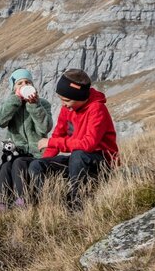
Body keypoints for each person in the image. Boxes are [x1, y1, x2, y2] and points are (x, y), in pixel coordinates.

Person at [27, 69, 118, 209]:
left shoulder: (97, 109)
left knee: (78, 155)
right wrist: (44, 159)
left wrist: (50, 142)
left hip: (101, 163)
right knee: (37, 165)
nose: (63, 104)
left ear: (81, 98)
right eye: (61, 99)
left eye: (67, 100)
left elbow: (88, 144)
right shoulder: (67, 109)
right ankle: (49, 206)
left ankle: (77, 204)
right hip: (78, 162)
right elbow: (58, 135)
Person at [0, 68, 53, 207]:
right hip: (15, 151)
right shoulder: (11, 104)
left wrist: (34, 106)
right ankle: (1, 203)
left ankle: (22, 199)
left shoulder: (42, 104)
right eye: (20, 83)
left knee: (19, 163)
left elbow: (44, 128)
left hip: (36, 152)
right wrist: (15, 100)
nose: (24, 85)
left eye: (27, 82)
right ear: (14, 87)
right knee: (6, 166)